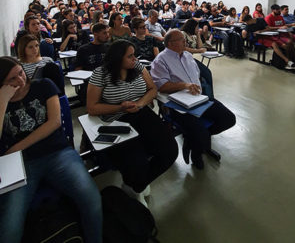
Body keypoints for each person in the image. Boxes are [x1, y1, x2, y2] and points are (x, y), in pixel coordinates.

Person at [0, 57, 102, 243]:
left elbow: (54, 122)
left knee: (91, 200)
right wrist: (2, 101)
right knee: (9, 230)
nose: (21, 81)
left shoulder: (43, 86)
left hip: (57, 153)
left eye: (21, 73)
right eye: (12, 79)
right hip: (21, 165)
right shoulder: (1, 101)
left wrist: (15, 147)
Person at [87, 40, 178, 203]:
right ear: (117, 58)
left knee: (170, 150)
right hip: (117, 120)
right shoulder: (100, 73)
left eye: (134, 55)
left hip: (141, 112)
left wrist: (140, 103)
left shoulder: (137, 68)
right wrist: (120, 107)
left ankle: (136, 186)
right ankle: (136, 184)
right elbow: (92, 107)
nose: (134, 59)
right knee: (136, 162)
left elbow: (152, 89)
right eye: (130, 56)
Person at [150, 29, 235, 170]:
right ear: (170, 43)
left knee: (228, 119)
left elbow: (197, 76)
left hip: (198, 98)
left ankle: (193, 141)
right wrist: (185, 85)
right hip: (178, 103)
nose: (185, 42)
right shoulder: (161, 60)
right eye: (181, 40)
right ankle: (197, 152)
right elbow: (161, 86)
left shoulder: (188, 55)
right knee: (200, 133)